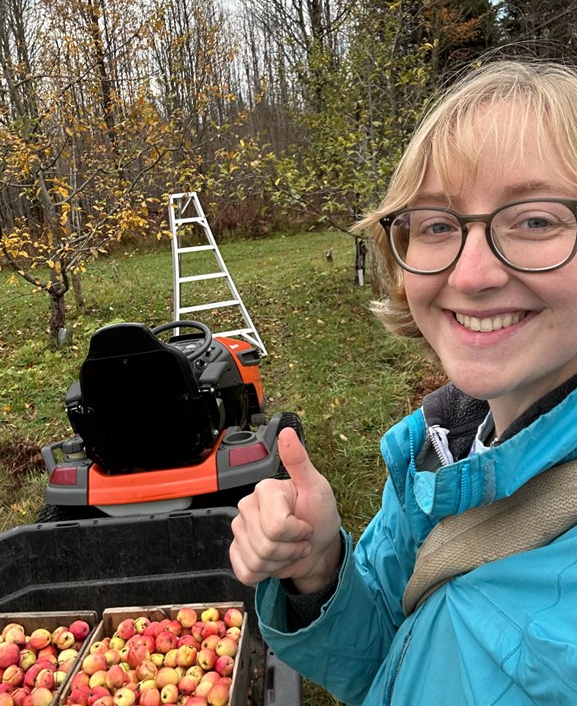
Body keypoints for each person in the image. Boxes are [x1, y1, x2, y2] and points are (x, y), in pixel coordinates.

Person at [229, 59, 577, 705]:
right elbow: (388, 659)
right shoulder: (445, 450)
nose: (471, 275)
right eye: (438, 225)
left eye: (535, 220)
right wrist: (320, 570)